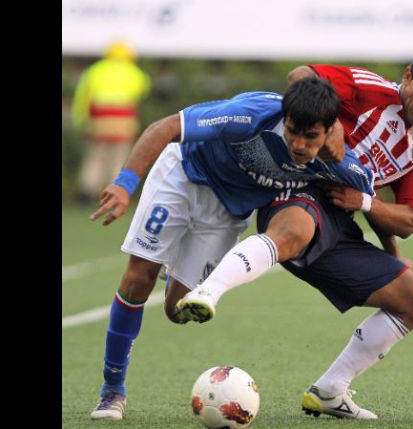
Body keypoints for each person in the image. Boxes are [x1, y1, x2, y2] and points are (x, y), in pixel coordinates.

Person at [175, 46, 413, 420]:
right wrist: (334, 125)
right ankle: (209, 291)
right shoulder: (368, 88)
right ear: (408, 76)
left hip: (343, 220)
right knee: (296, 229)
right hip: (299, 188)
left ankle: (330, 390)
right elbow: (299, 75)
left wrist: (366, 207)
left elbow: (408, 220)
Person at [88, 77, 375, 421]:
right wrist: (124, 184)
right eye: (292, 131)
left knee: (177, 311)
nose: (298, 144)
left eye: (309, 136)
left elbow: (372, 198)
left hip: (225, 213)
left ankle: (176, 265)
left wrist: (394, 253)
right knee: (139, 276)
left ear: (331, 130)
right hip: (183, 174)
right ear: (284, 119)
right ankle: (112, 390)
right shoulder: (250, 114)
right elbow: (163, 127)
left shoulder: (341, 162)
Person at [71, 40, 152, 202]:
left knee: (96, 155)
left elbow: (83, 98)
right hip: (124, 120)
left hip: (100, 120)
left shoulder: (95, 71)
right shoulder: (135, 72)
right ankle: (115, 190)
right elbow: (142, 94)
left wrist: (80, 120)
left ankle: (87, 190)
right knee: (120, 156)